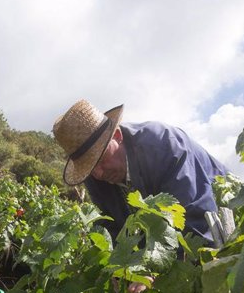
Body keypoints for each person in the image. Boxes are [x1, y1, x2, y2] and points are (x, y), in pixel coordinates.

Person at [52, 99, 227, 244]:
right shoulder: (94, 176)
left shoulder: (163, 146)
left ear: (117, 136)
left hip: (225, 214)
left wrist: (156, 271)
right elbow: (113, 226)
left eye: (100, 159)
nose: (98, 173)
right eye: (89, 168)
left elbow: (197, 221)